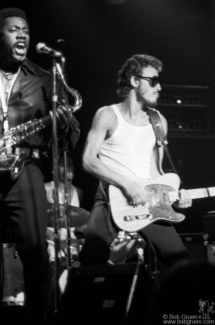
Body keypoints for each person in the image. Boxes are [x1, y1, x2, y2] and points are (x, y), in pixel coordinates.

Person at [0, 7, 80, 325]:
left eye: (25, 30)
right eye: (13, 29)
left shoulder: (45, 79)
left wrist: (61, 125)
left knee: (35, 253)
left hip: (25, 168)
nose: (22, 35)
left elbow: (70, 136)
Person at [79, 54, 192, 273]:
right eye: (153, 81)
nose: (159, 87)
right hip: (111, 198)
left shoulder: (158, 121)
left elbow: (156, 171)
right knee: (90, 263)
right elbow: (88, 160)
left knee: (182, 264)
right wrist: (127, 184)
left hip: (148, 201)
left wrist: (174, 195)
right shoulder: (107, 115)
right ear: (134, 81)